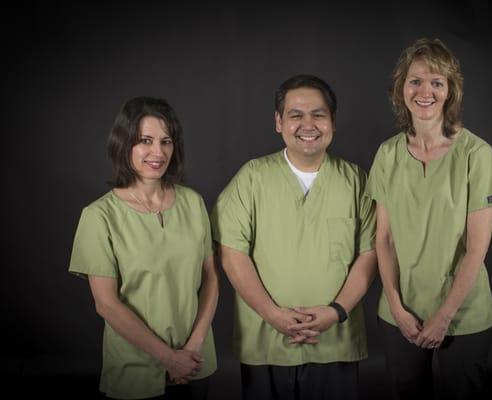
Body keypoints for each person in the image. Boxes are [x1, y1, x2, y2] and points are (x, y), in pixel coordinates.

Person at [210, 75, 377, 400]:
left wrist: (336, 311)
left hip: (335, 340)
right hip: (266, 339)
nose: (308, 124)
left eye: (318, 114)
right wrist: (273, 314)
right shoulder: (252, 178)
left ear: (332, 122)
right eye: (295, 115)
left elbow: (369, 253)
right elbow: (231, 253)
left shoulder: (356, 180)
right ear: (278, 122)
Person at [366, 38, 492, 400]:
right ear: (401, 88)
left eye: (437, 82)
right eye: (415, 80)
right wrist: (396, 306)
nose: (424, 91)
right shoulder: (387, 155)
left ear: (450, 92)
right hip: (401, 314)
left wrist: (444, 316)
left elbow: (477, 248)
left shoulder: (476, 153)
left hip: (463, 314)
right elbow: (384, 239)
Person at [69, 96, 218, 399]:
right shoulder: (99, 216)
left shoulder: (193, 202)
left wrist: (192, 347)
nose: (158, 152)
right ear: (124, 144)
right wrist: (168, 358)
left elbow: (211, 279)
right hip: (134, 370)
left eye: (166, 141)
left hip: (195, 363)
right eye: (145, 141)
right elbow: (106, 304)